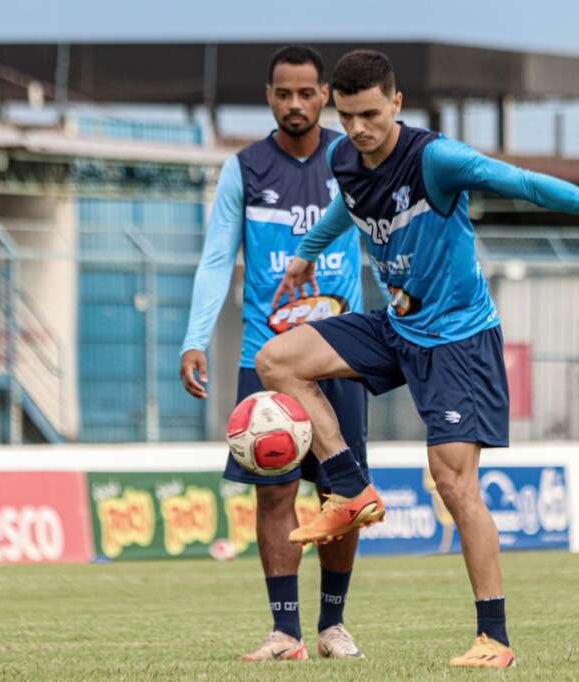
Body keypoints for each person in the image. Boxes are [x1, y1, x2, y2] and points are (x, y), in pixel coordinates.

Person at [256, 49, 579, 669]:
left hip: (458, 340)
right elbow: (349, 205)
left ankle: (494, 638)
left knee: (453, 484)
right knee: (278, 360)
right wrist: (307, 253)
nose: (358, 129)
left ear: (396, 104)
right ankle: (351, 488)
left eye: (371, 115)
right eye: (347, 116)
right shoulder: (344, 157)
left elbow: (519, 181)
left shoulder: (436, 160)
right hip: (398, 325)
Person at [179, 45, 371, 662]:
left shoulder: (353, 159)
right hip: (265, 357)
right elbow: (216, 260)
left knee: (341, 497)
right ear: (269, 96)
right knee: (274, 494)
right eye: (283, 93)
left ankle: (333, 626)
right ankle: (286, 632)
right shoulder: (244, 169)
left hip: (340, 355)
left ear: (324, 96)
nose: (295, 104)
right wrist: (194, 337)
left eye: (306, 93)